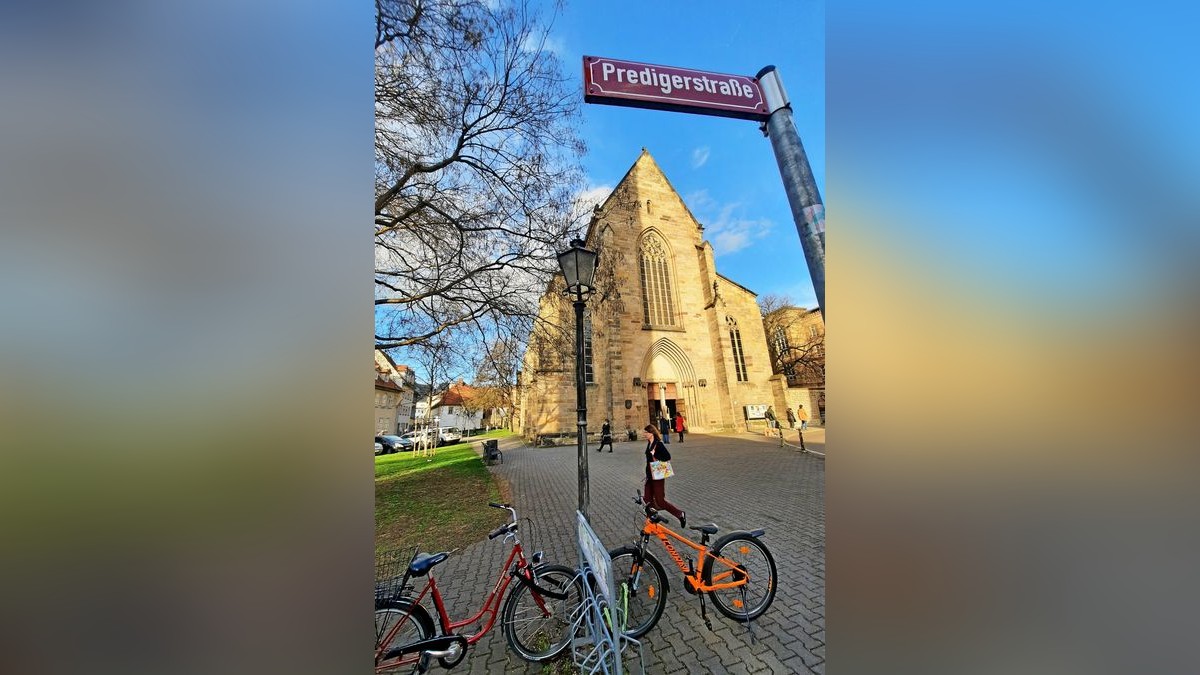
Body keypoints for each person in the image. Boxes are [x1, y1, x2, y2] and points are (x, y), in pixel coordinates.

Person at [642, 424, 685, 528]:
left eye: (646, 432)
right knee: (647, 499)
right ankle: (651, 520)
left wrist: (655, 454)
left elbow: (667, 456)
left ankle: (680, 514)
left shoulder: (658, 444)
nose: (644, 434)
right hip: (650, 476)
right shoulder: (649, 443)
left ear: (651, 433)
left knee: (660, 501)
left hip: (658, 476)